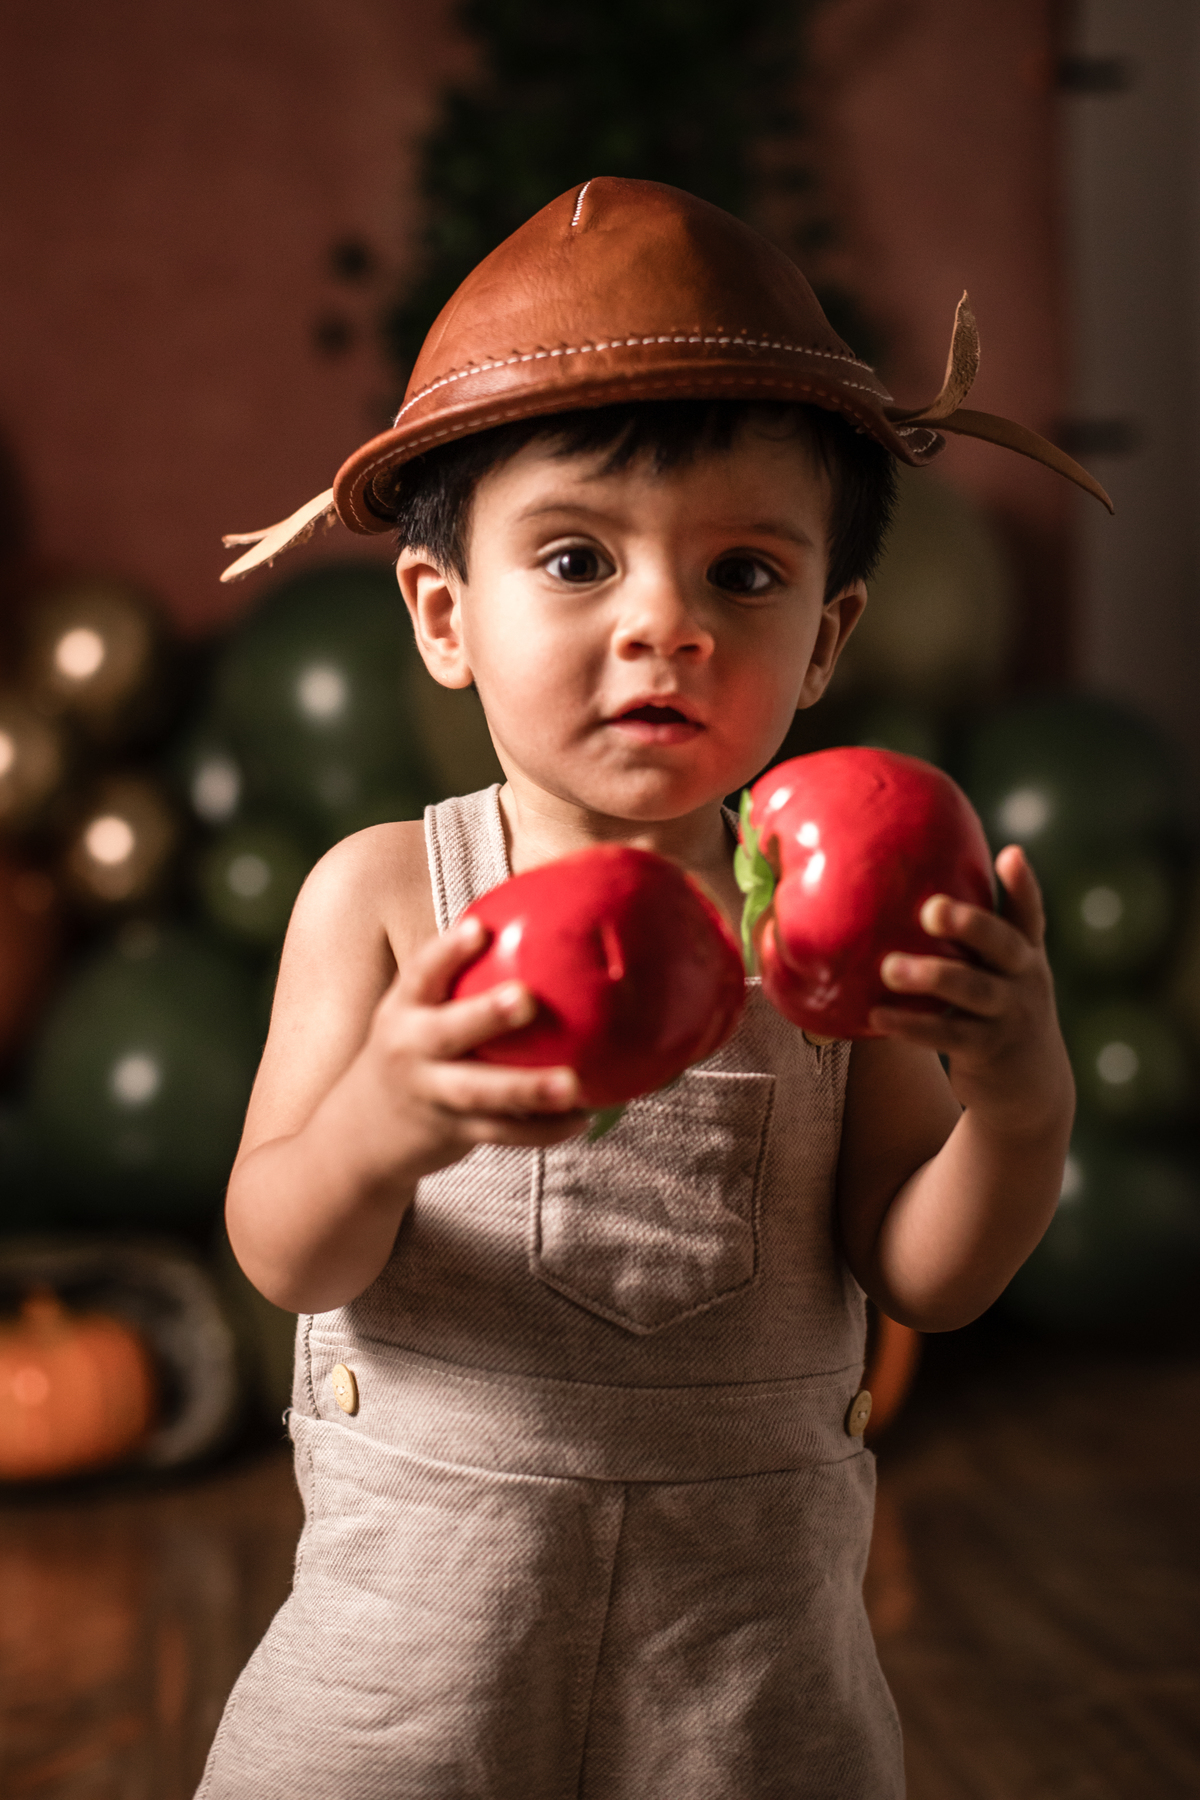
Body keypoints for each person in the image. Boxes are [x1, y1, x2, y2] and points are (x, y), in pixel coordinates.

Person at [198, 178, 1110, 1799]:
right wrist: (389, 1116)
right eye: (574, 557)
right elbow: (285, 1245)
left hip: (745, 1667)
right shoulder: (389, 899)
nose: (665, 626)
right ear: (442, 612)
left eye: (743, 577)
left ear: (827, 643)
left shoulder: (830, 934)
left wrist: (1020, 1103)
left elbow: (926, 1274)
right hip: (415, 1661)